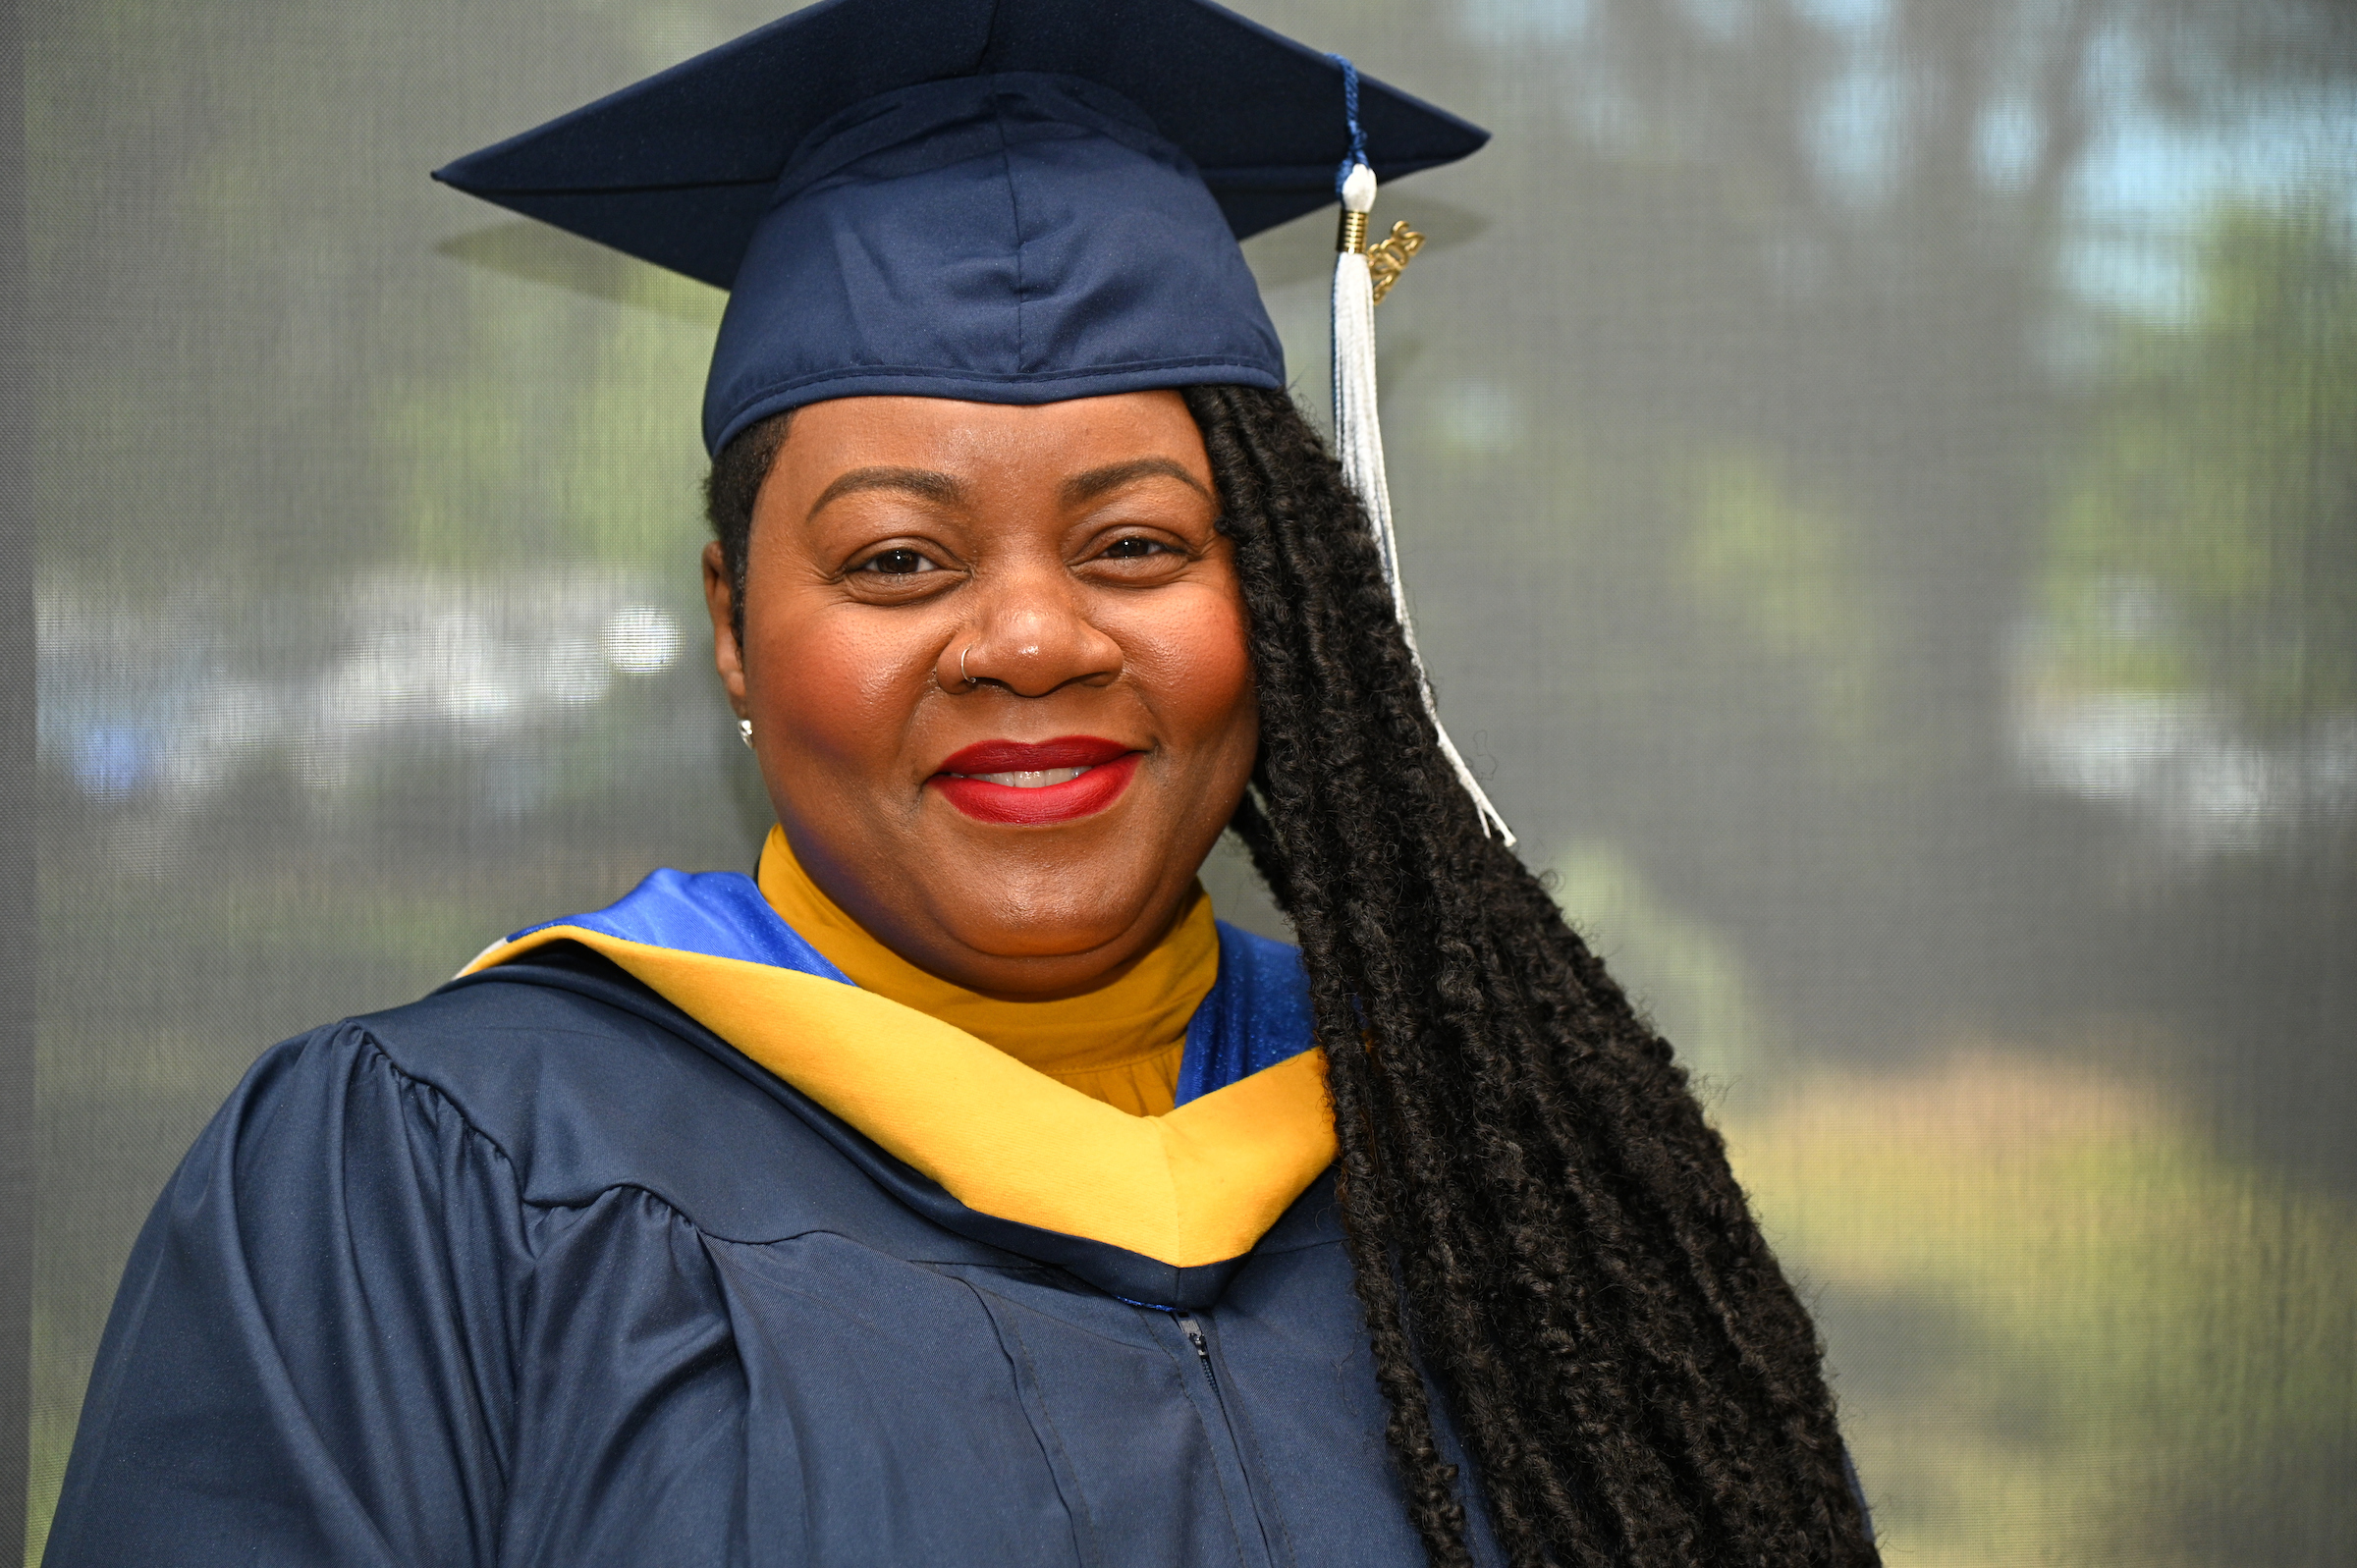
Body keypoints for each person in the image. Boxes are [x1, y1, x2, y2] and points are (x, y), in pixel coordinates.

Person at [44, 2, 1880, 1564]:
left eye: (1143, 546)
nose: (1027, 640)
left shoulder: (1494, 1168)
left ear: (1291, 603)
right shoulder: (432, 1183)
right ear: (735, 629)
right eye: (897, 561)